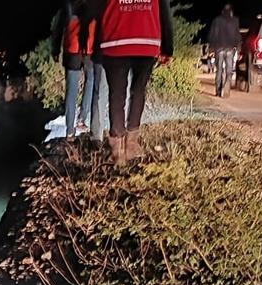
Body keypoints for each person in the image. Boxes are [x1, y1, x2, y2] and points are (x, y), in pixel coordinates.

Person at [91, 0, 174, 163]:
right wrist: (167, 47)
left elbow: (97, 11)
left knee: (116, 96)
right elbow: (164, 13)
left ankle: (117, 151)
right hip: (147, 41)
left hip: (114, 42)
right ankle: (131, 145)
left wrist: (96, 48)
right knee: (138, 92)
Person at [52, 0, 97, 138]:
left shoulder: (68, 4)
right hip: (89, 48)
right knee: (90, 81)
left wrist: (55, 49)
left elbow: (59, 27)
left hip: (72, 49)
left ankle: (70, 130)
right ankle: (82, 119)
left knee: (71, 90)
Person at [208, 3, 241, 98]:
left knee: (219, 70)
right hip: (230, 49)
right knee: (229, 71)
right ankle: (227, 87)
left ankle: (218, 91)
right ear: (231, 12)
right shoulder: (235, 21)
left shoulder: (217, 20)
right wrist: (238, 48)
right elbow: (237, 35)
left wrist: (211, 48)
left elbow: (213, 34)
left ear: (222, 11)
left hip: (219, 49)